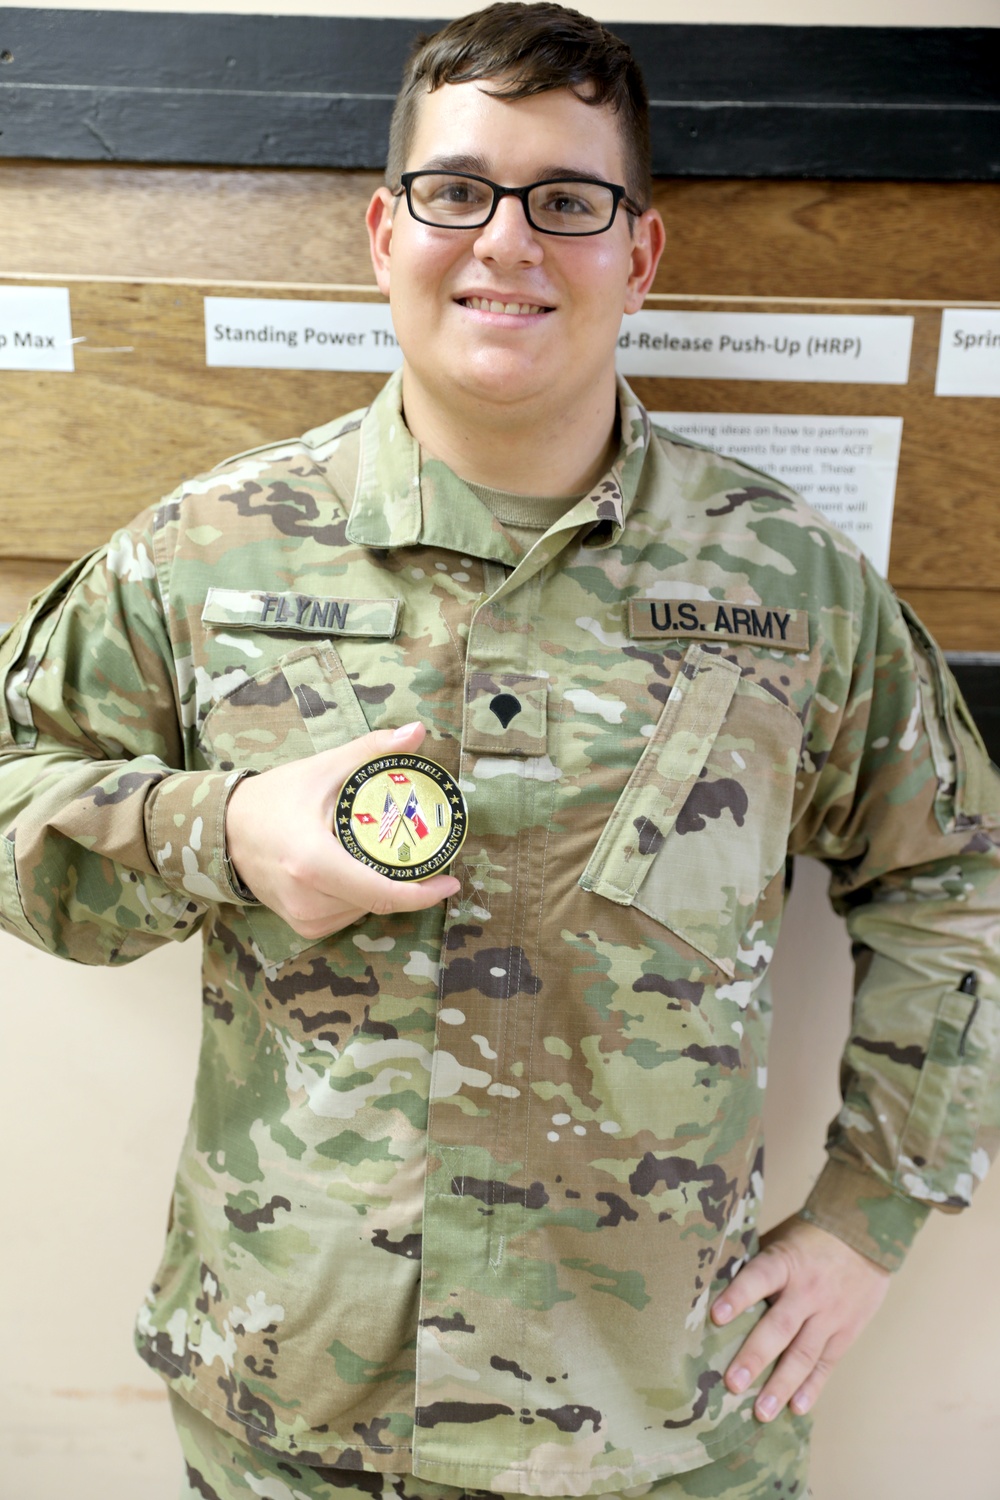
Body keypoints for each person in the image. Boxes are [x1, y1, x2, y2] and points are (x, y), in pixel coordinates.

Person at [1, 4, 998, 1497]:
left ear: (638, 254)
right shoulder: (201, 555)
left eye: (568, 202)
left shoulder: (793, 589)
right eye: (457, 190)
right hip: (302, 1412)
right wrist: (226, 833)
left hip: (659, 1427)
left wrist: (875, 1207)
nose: (507, 243)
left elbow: (955, 873)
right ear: (383, 231)